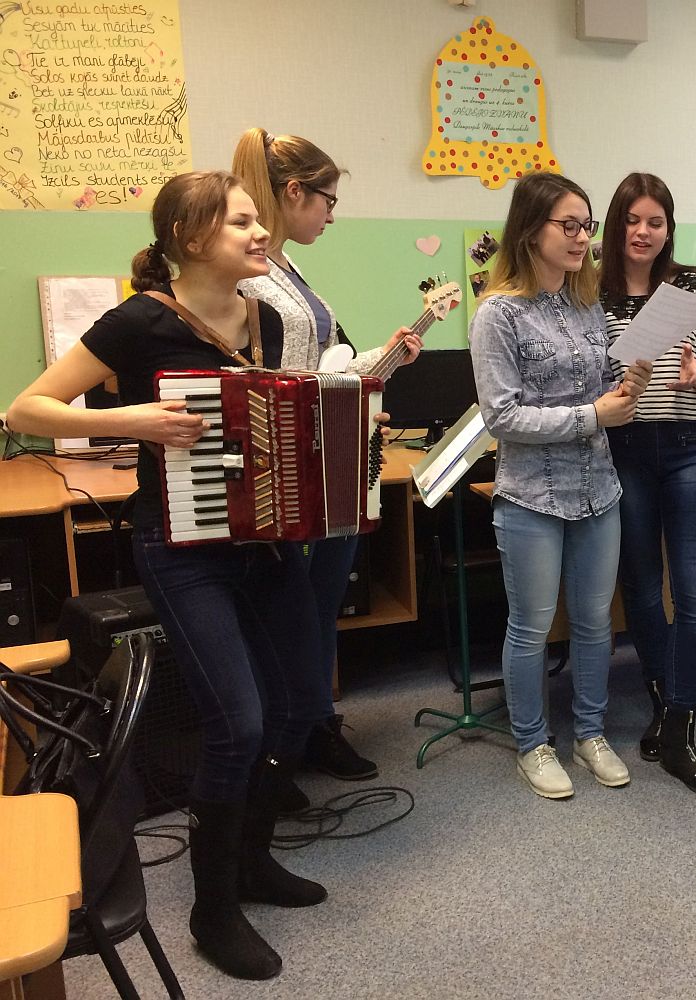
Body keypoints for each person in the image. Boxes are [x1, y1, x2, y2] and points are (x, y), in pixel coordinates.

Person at [7, 171, 326, 981]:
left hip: (264, 538)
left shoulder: (267, 318)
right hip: (181, 547)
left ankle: (251, 861)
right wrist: (135, 421)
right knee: (238, 724)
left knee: (298, 705)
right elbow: (26, 410)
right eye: (241, 223)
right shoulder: (139, 321)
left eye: (258, 220)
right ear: (190, 238)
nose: (261, 233)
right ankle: (211, 910)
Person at [231, 127, 422, 800]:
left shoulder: (287, 269)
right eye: (328, 201)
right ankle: (281, 745)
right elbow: (270, 381)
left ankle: (313, 724)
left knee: (317, 606)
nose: (332, 216)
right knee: (286, 612)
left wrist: (380, 365)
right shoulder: (252, 276)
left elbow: (318, 368)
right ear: (294, 192)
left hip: (325, 459)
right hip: (287, 467)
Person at [469, 171, 652, 800]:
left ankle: (590, 734)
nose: (581, 238)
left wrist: (629, 385)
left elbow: (601, 388)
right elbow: (501, 417)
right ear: (530, 230)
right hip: (531, 495)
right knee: (532, 625)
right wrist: (593, 416)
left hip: (599, 489)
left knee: (596, 621)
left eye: (586, 226)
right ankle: (532, 743)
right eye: (568, 225)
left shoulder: (585, 304)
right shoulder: (498, 313)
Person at [599, 173, 696, 797]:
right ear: (616, 226)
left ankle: (680, 725)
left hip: (689, 450)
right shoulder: (590, 294)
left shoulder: (692, 289)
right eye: (633, 220)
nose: (643, 232)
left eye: (655, 222)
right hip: (624, 451)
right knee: (641, 587)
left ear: (668, 229)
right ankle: (661, 700)